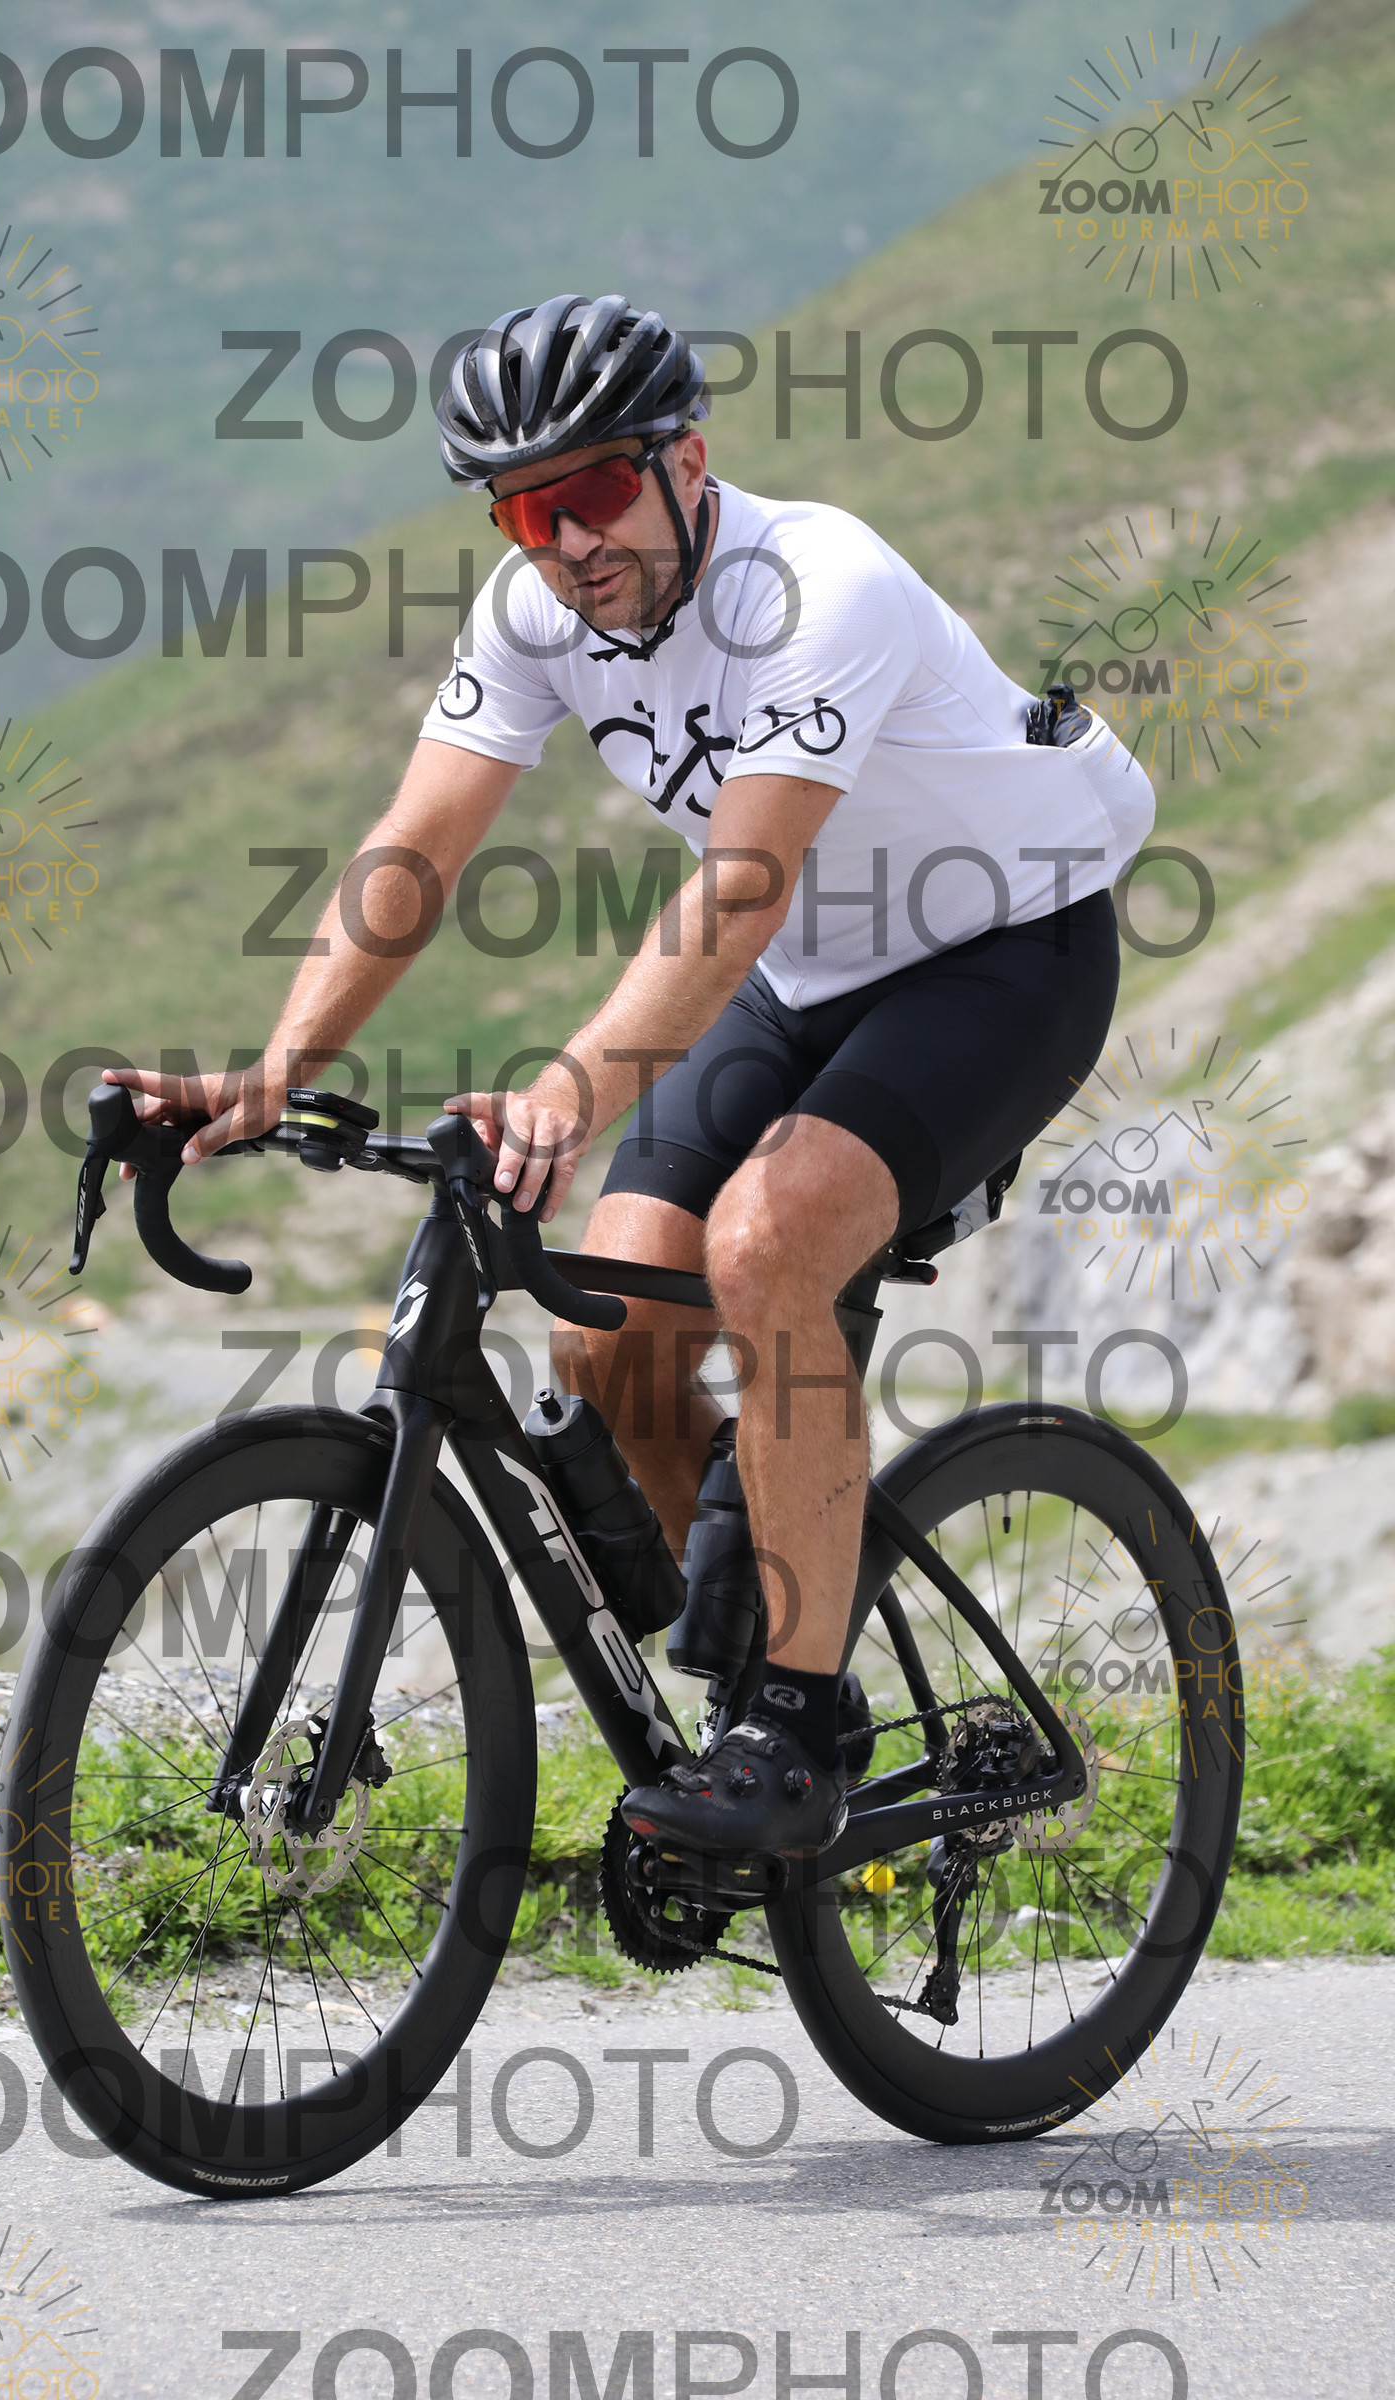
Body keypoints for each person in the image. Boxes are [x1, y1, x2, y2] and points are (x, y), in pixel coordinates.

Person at [107, 292, 1153, 1860]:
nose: (570, 541)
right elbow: (418, 847)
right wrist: (278, 1066)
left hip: (1004, 950)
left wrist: (570, 1090)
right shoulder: (531, 616)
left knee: (766, 1244)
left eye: (596, 490)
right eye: (528, 511)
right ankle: (768, 1644)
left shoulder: (822, 586)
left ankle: (790, 1725)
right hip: (804, 975)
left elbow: (739, 890)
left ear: (687, 464)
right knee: (610, 1326)